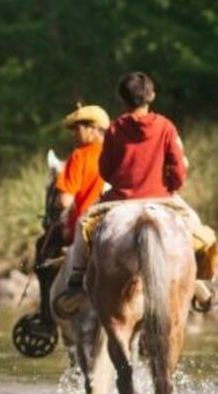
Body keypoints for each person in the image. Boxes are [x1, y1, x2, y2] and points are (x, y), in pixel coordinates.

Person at [58, 72, 216, 313]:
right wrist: (172, 185)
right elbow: (179, 168)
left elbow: (106, 170)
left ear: (123, 100)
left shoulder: (114, 129)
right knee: (205, 236)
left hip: (121, 199)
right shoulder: (166, 126)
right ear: (151, 97)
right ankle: (201, 280)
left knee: (83, 226)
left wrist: (123, 181)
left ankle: (77, 283)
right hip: (163, 197)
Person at [55, 104, 110, 244]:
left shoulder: (79, 156)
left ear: (93, 128)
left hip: (85, 227)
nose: (74, 134)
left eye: (77, 129)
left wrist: (57, 202)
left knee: (44, 244)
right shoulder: (118, 152)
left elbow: (65, 201)